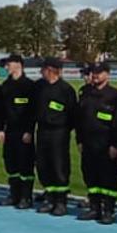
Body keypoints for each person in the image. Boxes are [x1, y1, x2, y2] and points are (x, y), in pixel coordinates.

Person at [74, 63, 117, 223]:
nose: (95, 76)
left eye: (99, 73)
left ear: (107, 75)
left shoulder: (115, 96)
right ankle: (94, 207)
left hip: (106, 143)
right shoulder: (85, 92)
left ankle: (108, 210)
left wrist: (115, 144)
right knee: (90, 176)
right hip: (88, 142)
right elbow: (79, 119)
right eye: (93, 73)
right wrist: (79, 140)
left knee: (108, 178)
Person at [32, 57, 78, 215]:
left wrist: (62, 127)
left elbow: (73, 115)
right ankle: (49, 197)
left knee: (59, 166)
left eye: (43, 69)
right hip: (42, 131)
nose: (40, 72)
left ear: (51, 70)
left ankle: (61, 201)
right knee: (43, 165)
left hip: (59, 132)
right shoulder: (39, 87)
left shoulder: (66, 90)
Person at [0, 55, 37, 210]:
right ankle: (14, 194)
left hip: (24, 132)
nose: (6, 67)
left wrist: (29, 130)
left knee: (25, 164)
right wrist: (0, 129)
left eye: (8, 64)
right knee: (11, 163)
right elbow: (0, 111)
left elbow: (33, 112)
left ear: (18, 65)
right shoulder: (5, 86)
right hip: (10, 131)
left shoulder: (29, 86)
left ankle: (26, 197)